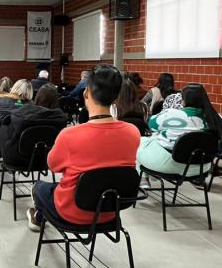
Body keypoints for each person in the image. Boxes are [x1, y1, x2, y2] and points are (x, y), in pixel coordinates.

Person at [25, 65, 141, 232]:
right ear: (116, 98)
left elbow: (52, 165)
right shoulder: (133, 132)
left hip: (71, 212)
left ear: (86, 93)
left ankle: (37, 218)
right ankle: (38, 216)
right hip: (110, 212)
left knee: (39, 187)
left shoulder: (69, 135)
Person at [137, 84, 222, 177]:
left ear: (183, 101)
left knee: (140, 142)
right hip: (202, 168)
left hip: (170, 165)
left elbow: (151, 125)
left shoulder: (172, 114)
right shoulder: (218, 119)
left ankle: (144, 179)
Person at [0, 79, 34, 148]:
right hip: (21, 143)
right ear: (30, 91)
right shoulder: (32, 106)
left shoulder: (1, 101)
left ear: (15, 88)